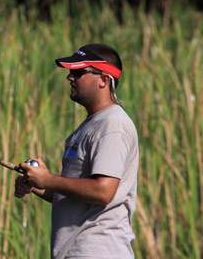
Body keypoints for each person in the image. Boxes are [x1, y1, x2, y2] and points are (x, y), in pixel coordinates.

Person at [15, 44, 139, 259]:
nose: (70, 78)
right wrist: (38, 184)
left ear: (104, 79)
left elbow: (103, 191)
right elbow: (78, 195)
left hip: (99, 251)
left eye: (79, 72)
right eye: (71, 72)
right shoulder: (90, 126)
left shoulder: (113, 125)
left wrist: (49, 179)